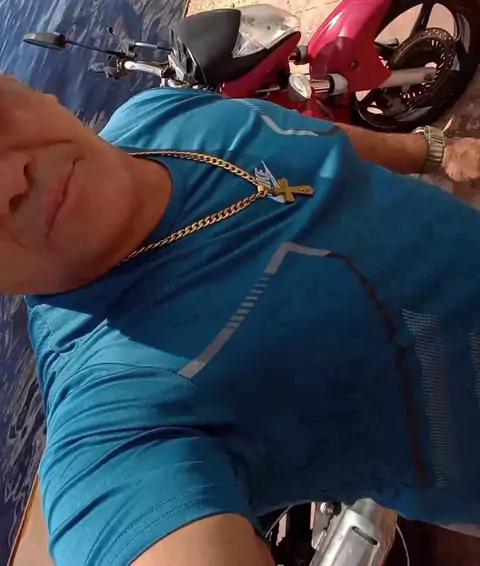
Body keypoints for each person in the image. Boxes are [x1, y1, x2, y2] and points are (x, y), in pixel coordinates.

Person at [4, 72, 480, 566]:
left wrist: (432, 151)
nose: (7, 181)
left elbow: (319, 141)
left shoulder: (159, 113)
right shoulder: (112, 415)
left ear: (31, 89)